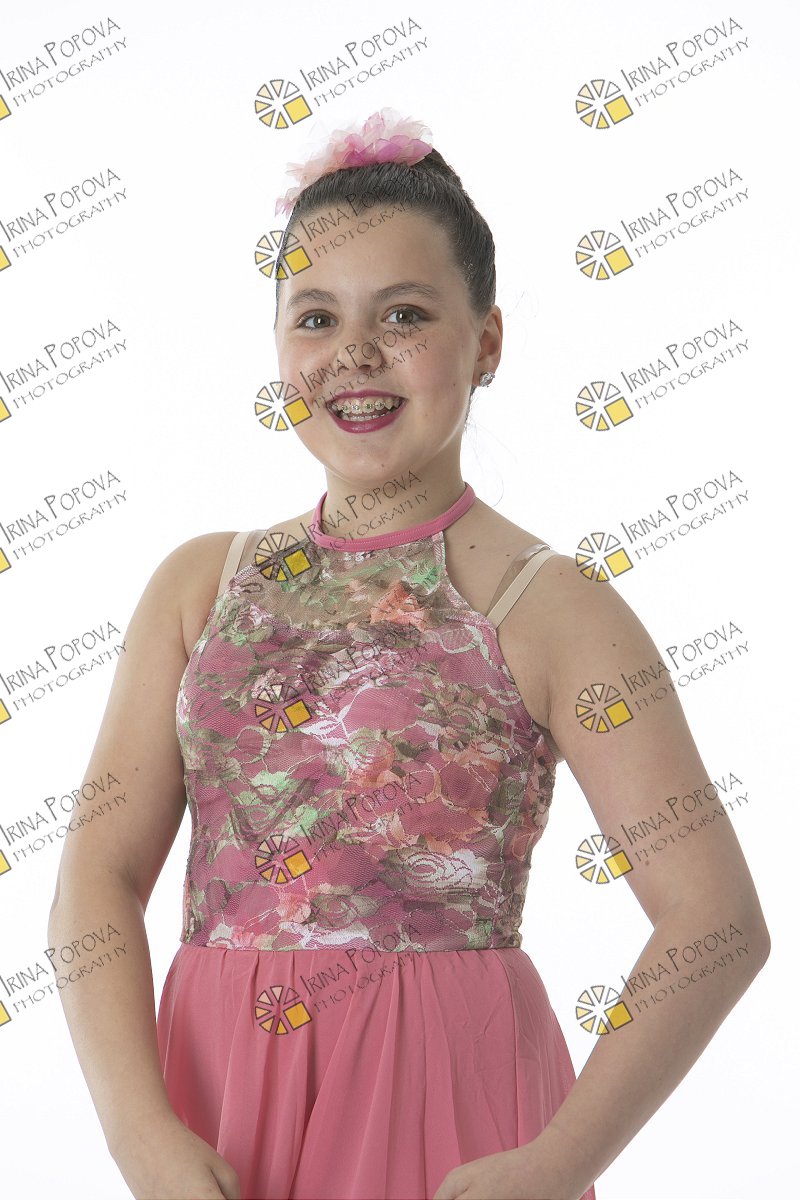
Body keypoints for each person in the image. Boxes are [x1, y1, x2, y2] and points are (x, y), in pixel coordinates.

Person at [48, 108, 770, 1200]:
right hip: (216, 1097)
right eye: (315, 317)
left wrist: (556, 1162)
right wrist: (136, 1132)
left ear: (486, 341)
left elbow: (715, 920)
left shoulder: (553, 609)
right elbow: (96, 878)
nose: (354, 353)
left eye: (403, 314)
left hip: (449, 1101)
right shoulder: (202, 587)